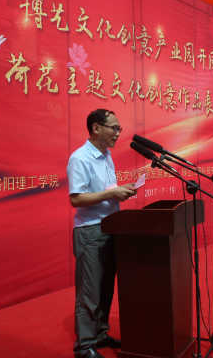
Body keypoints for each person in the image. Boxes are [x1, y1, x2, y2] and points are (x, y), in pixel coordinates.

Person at [67, 109, 136, 358]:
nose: (118, 133)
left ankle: (100, 333)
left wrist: (120, 190)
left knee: (106, 287)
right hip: (90, 231)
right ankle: (84, 346)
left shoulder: (106, 156)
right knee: (90, 291)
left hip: (110, 227)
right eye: (114, 128)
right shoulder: (80, 158)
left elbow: (106, 190)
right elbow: (76, 198)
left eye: (119, 129)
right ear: (96, 128)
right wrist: (111, 193)